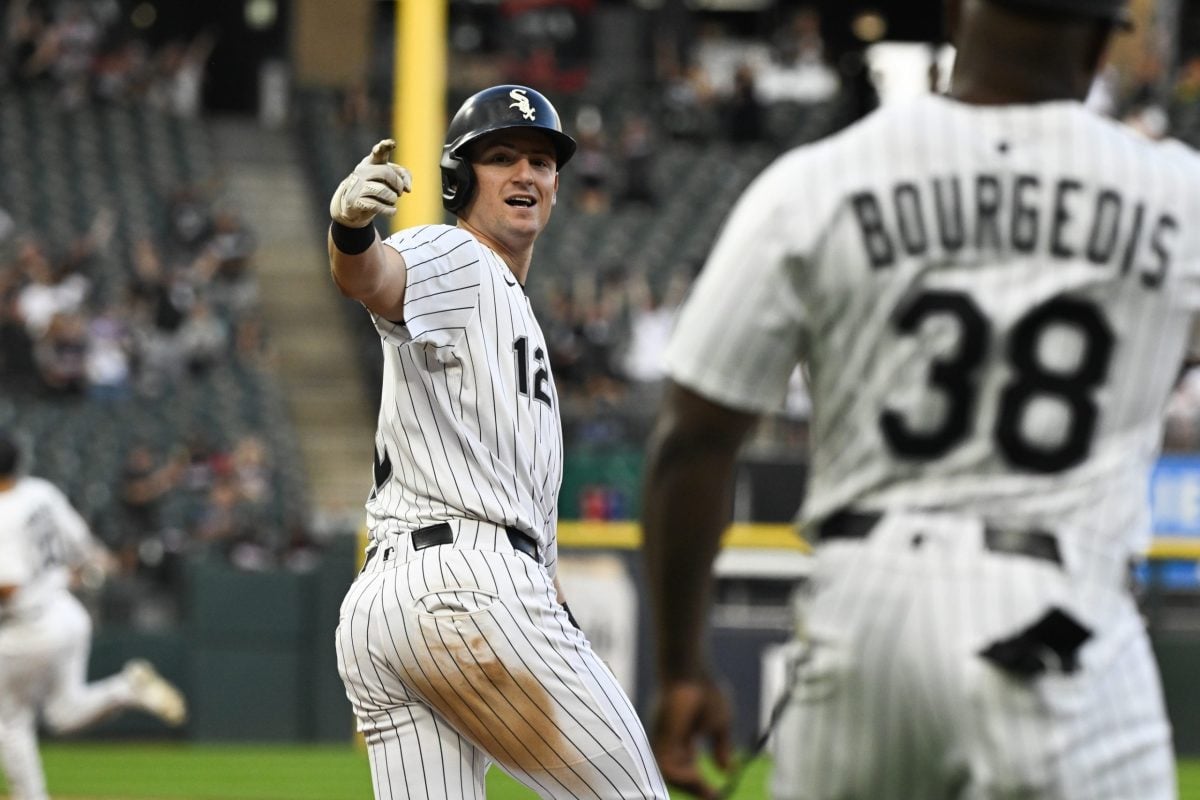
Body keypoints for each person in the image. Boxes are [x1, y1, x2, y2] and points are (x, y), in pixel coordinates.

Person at [641, 1, 1196, 798]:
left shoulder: (818, 181)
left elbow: (691, 440)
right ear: (1102, 43)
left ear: (955, 18)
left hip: (864, 612)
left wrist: (681, 667)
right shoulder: (1175, 194)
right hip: (1062, 614)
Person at [330, 85, 668, 800]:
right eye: (502, 157)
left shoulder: (509, 312)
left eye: (541, 162)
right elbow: (376, 277)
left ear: (557, 185)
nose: (525, 174)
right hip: (466, 586)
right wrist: (352, 232)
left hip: (383, 612)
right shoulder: (460, 256)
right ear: (459, 179)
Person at [0, 429, 187, 800]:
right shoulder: (40, 492)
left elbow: (9, 586)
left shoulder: (4, 514)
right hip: (67, 612)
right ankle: (126, 688)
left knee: (9, 717)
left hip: (29, 626)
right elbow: (84, 546)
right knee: (62, 714)